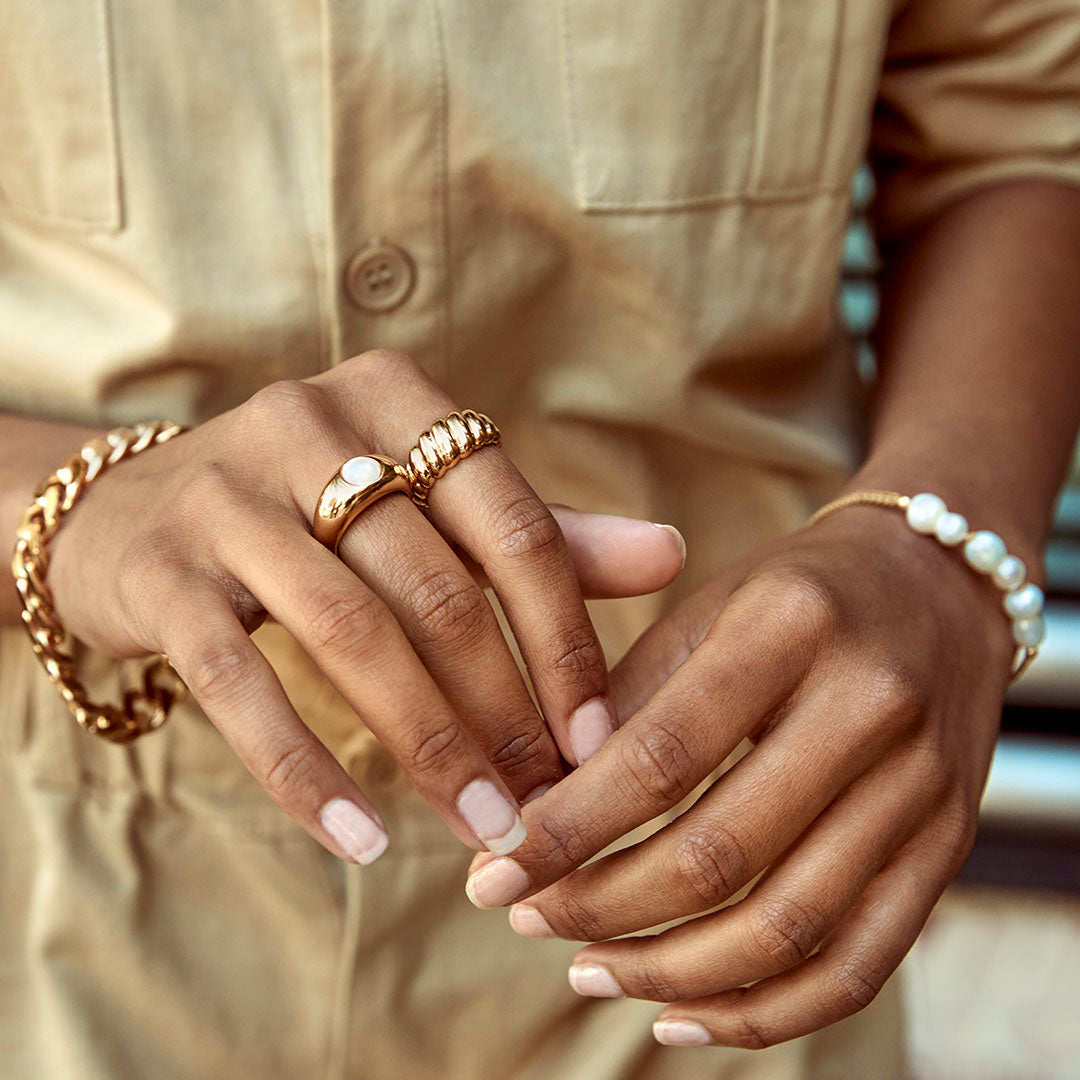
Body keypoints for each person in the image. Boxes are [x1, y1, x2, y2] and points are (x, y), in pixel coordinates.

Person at [2, 1, 1078, 1077]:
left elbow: (1017, 130)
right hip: (60, 909)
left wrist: (945, 540)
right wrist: (72, 510)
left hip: (735, 860)